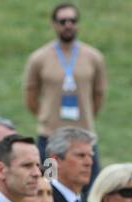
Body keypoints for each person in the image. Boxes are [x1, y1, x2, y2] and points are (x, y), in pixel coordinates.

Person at [24, 3, 107, 165]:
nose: (68, 25)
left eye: (72, 20)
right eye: (63, 21)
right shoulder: (39, 58)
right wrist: (45, 116)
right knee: (49, 183)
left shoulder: (94, 57)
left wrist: (87, 115)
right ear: (54, 24)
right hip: (51, 138)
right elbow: (31, 95)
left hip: (84, 136)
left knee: (89, 185)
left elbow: (99, 94)